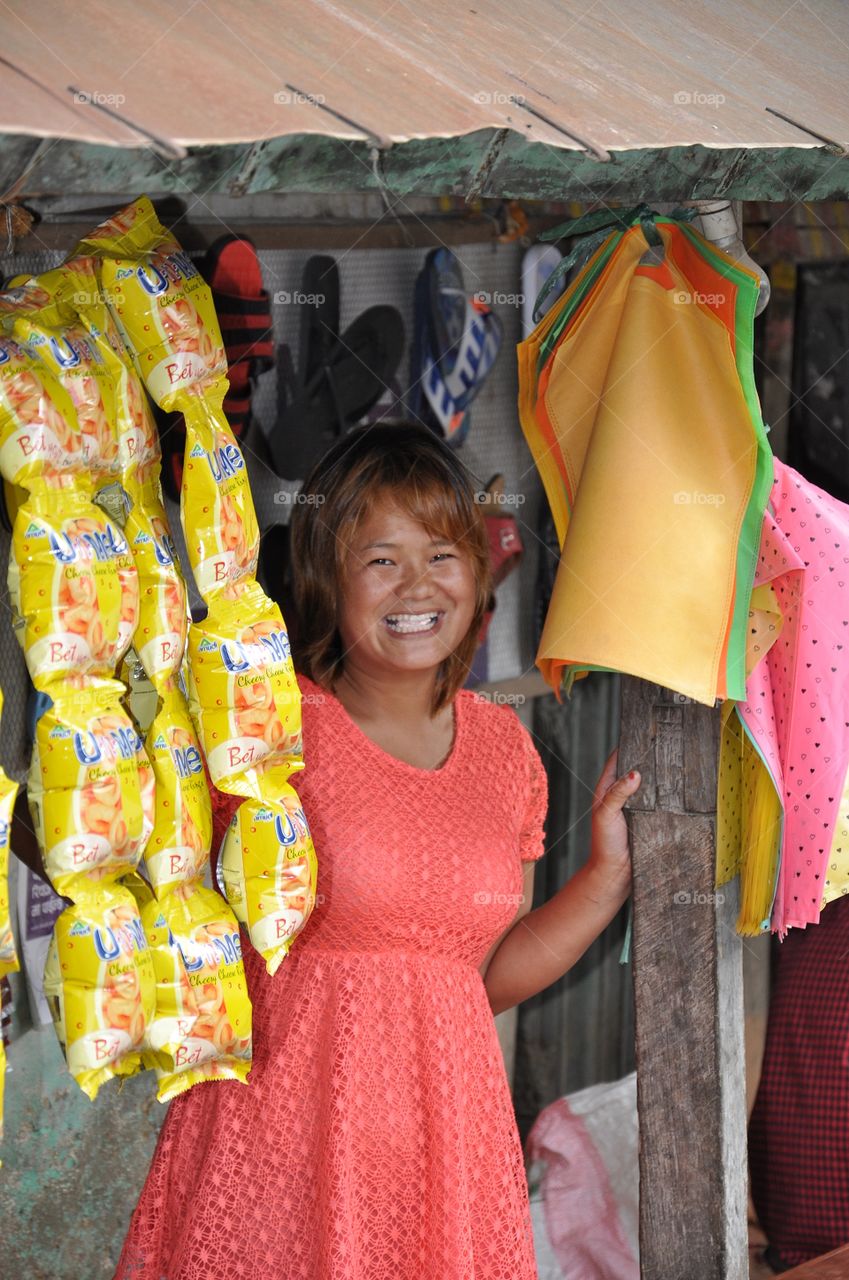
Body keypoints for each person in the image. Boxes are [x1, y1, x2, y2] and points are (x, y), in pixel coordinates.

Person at [113, 422, 640, 1280]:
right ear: (330, 578)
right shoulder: (266, 728)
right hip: (280, 1141)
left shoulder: (504, 752)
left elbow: (475, 980)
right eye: (380, 560)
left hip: (443, 1151)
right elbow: (117, 857)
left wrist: (605, 875)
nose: (416, 587)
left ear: (476, 572)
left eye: (441, 554)